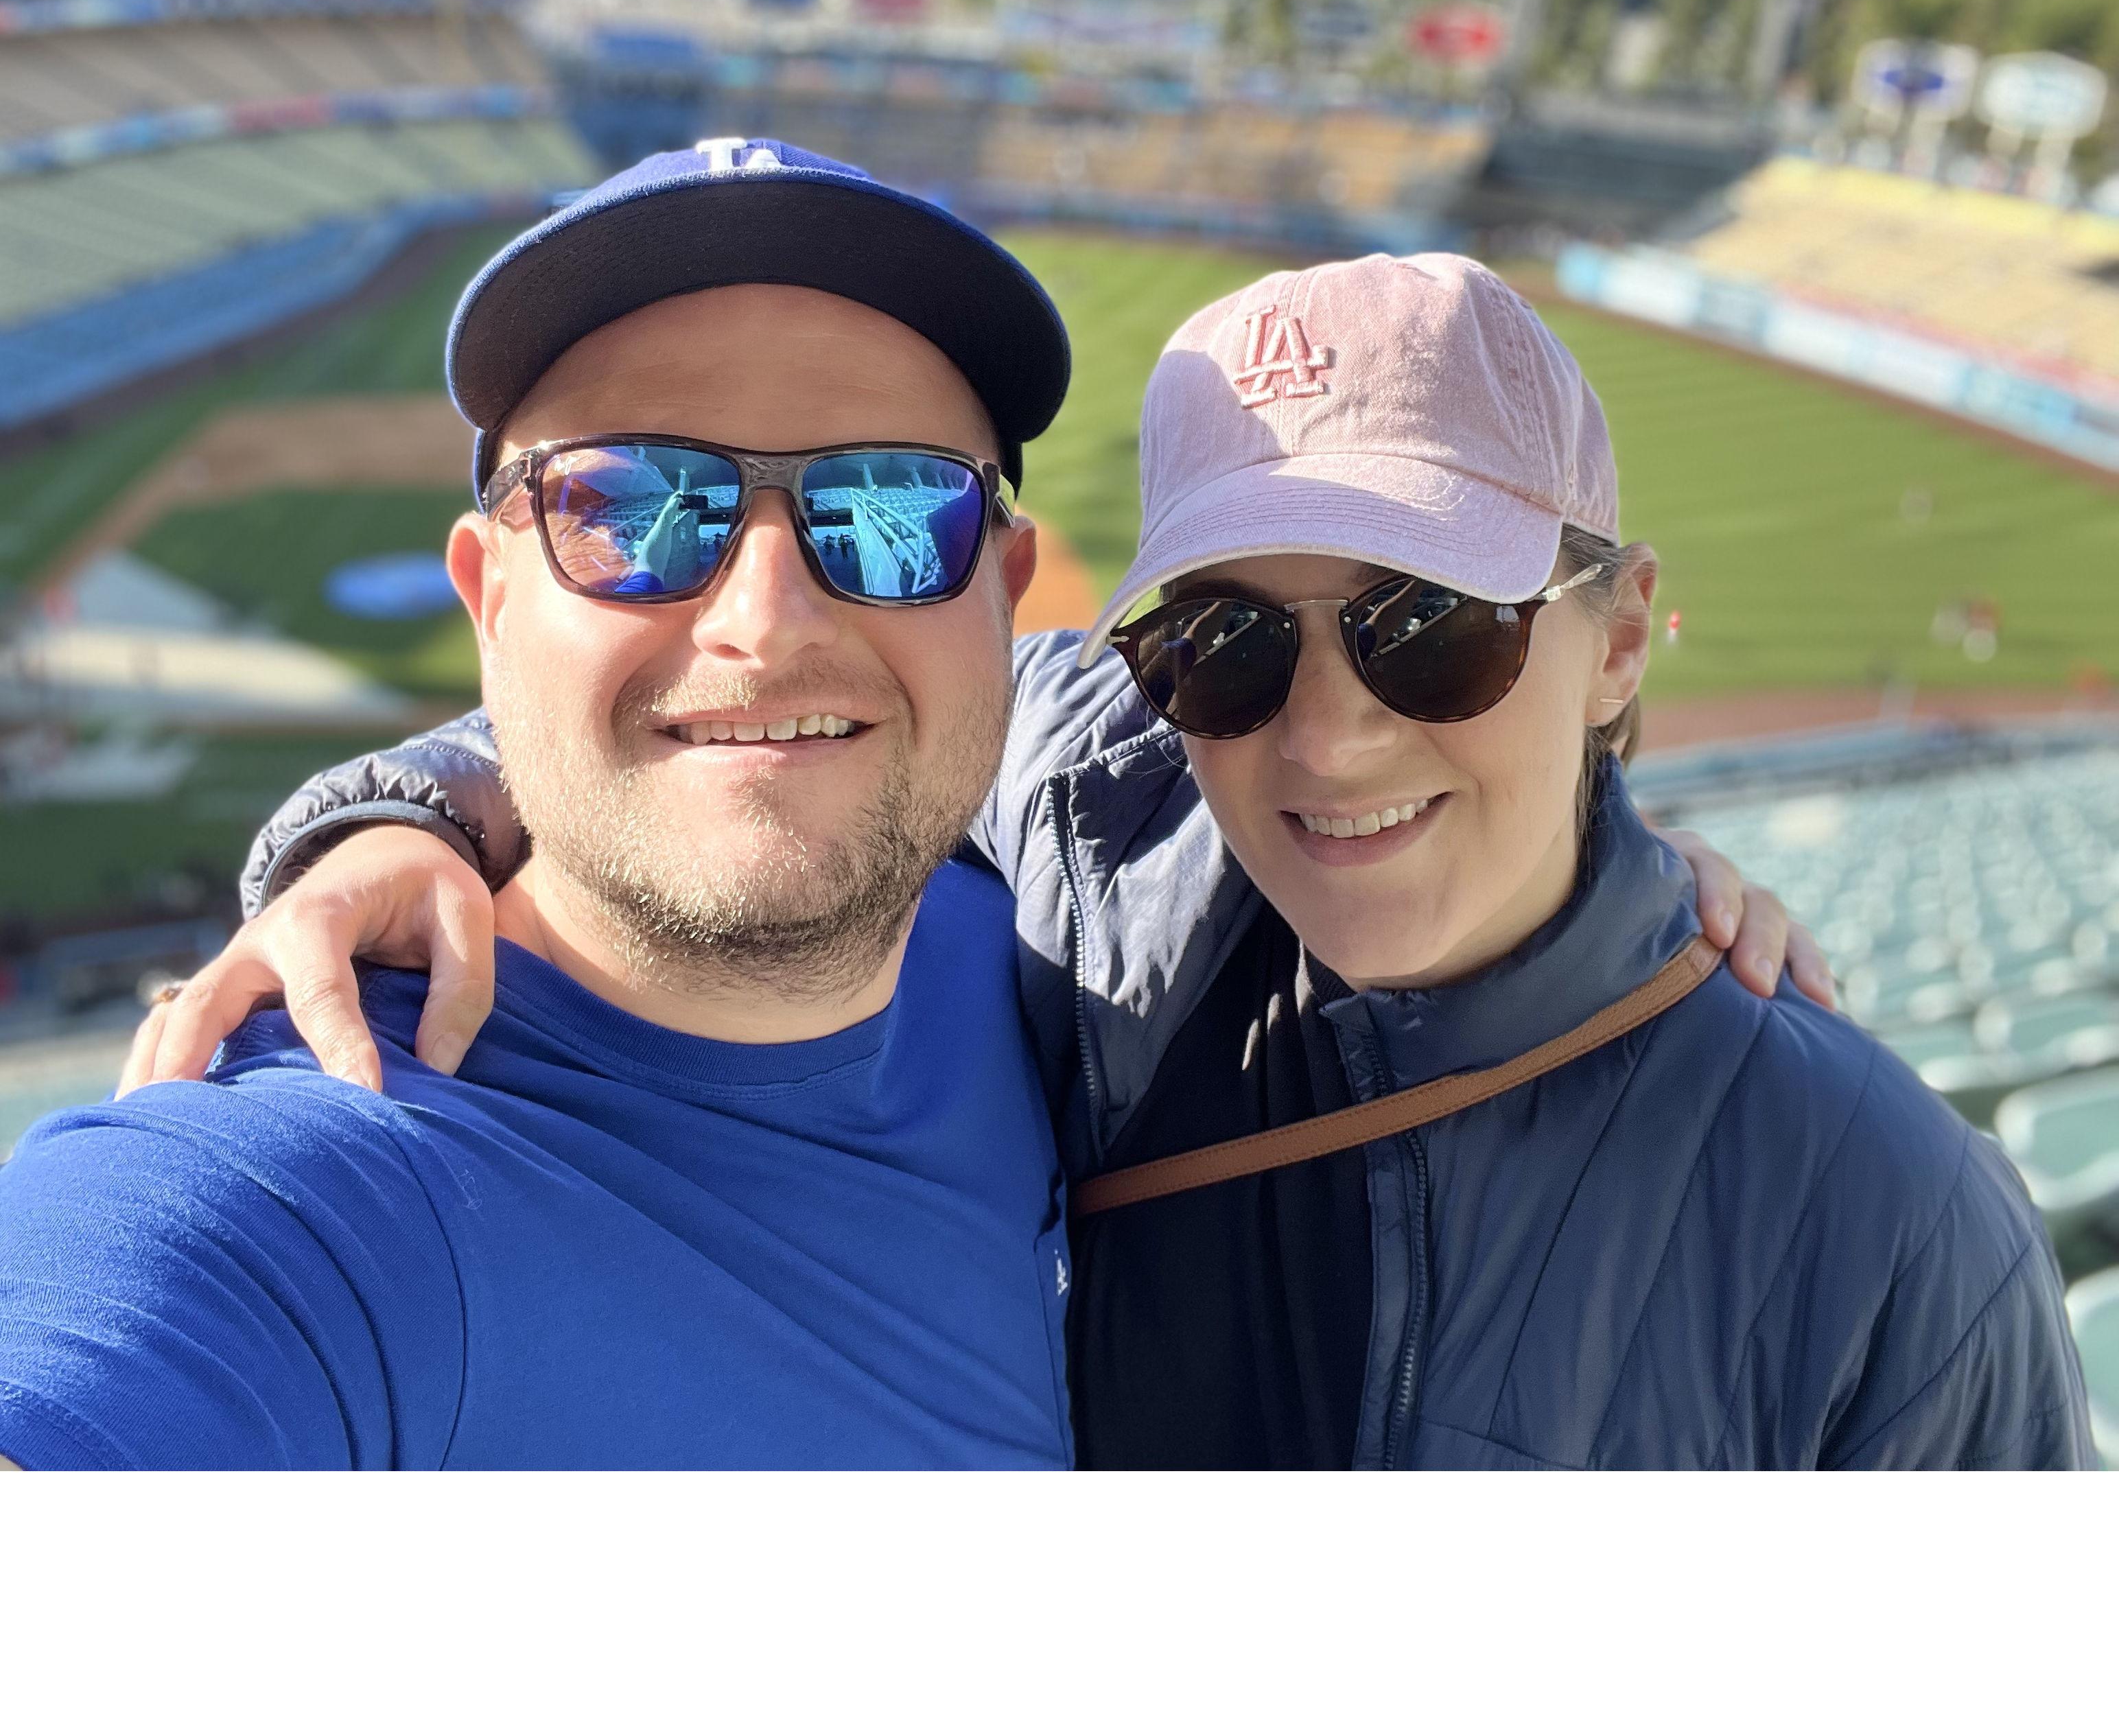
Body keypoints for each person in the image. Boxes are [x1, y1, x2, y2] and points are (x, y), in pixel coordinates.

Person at [115, 234, 2060, 1470]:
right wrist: (402, 812)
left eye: (1432, 628)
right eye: (1219, 643)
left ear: (1619, 636)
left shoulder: (1891, 1229)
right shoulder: (1085, 790)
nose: (1328, 731)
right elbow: (769, 707)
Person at [0, 141, 1081, 1469]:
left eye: (887, 508)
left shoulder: (1066, 938)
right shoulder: (320, 1183)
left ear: (1006, 590)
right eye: (631, 509)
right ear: (490, 596)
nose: (763, 618)